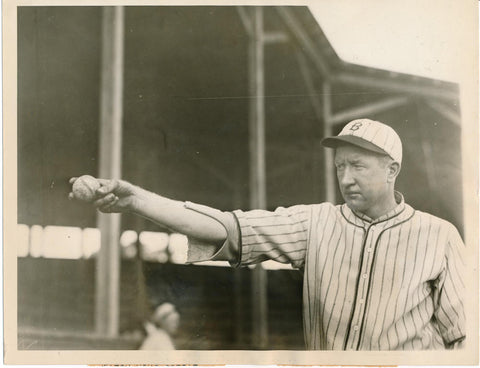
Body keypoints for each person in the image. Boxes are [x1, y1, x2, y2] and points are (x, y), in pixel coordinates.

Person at [69, 118, 465, 350]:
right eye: (340, 166)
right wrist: (136, 199)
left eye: (358, 166)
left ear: (392, 169)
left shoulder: (439, 236)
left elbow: (465, 337)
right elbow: (228, 227)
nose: (345, 178)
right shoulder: (315, 223)